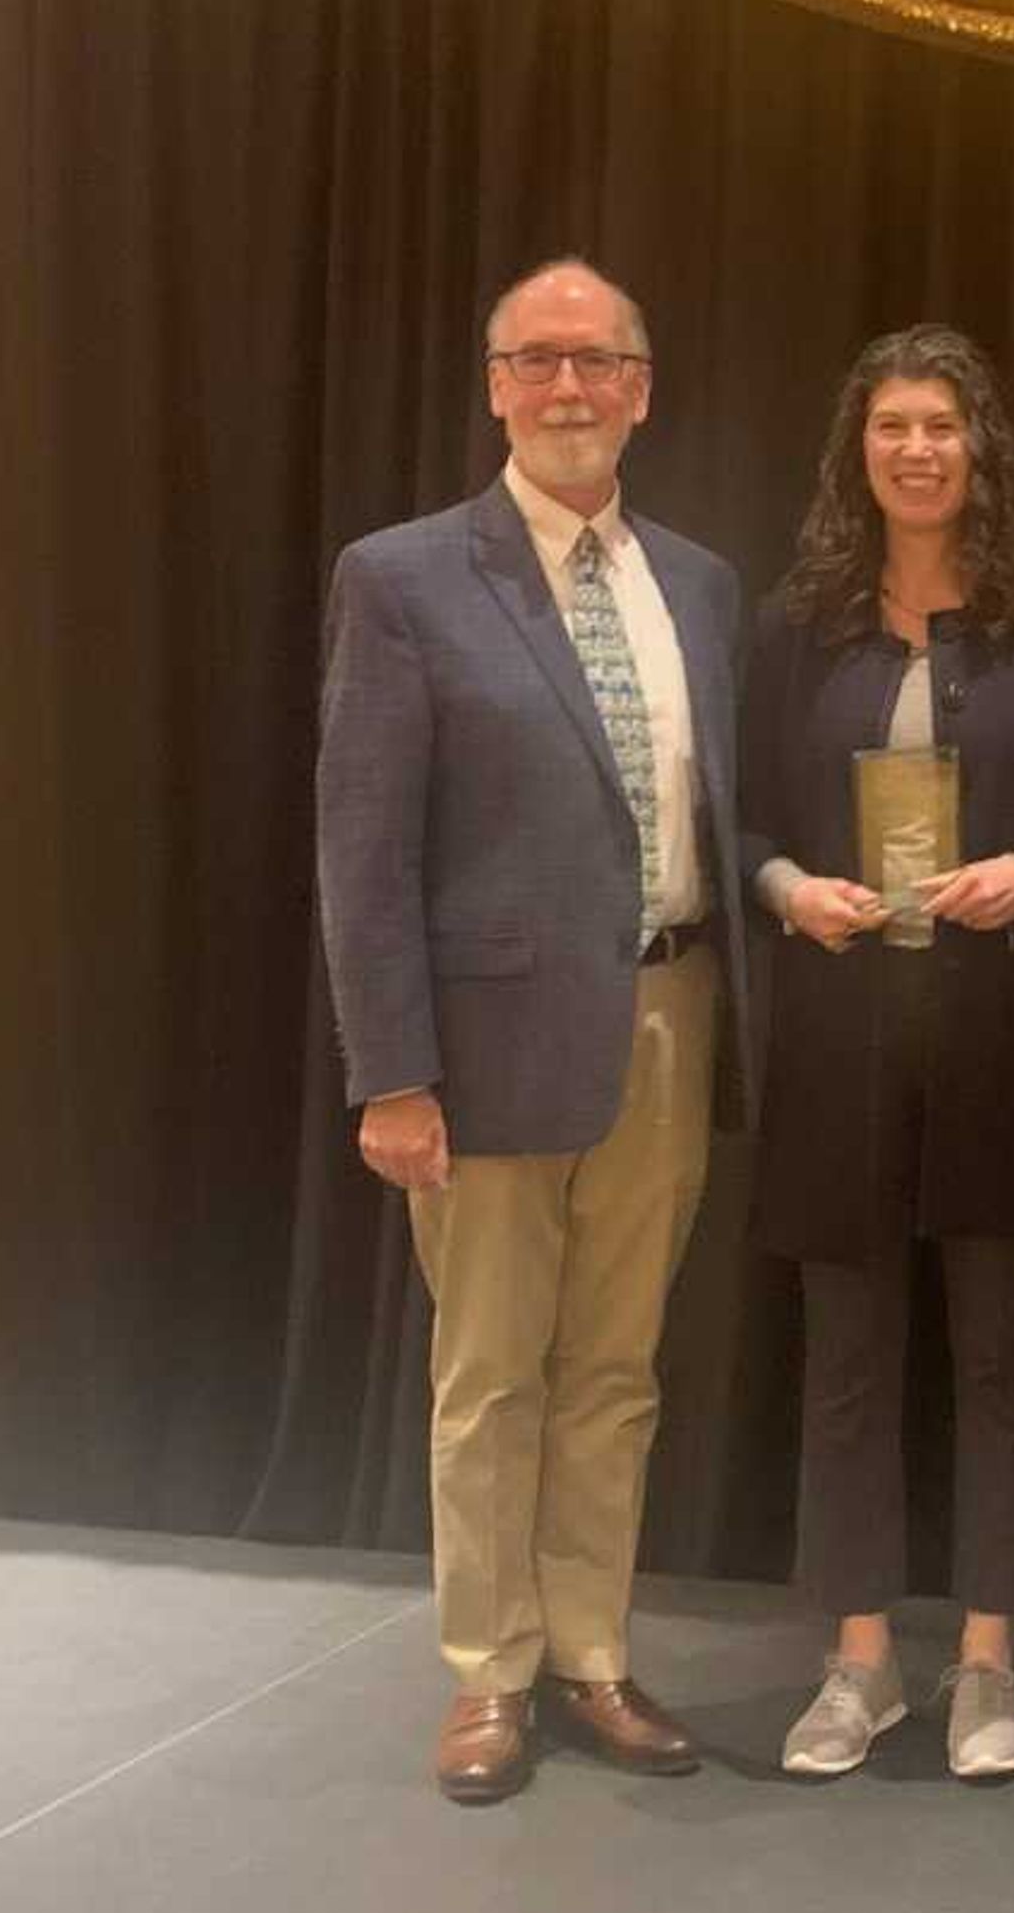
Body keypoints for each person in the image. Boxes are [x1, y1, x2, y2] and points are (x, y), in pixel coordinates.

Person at [315, 259, 754, 1804]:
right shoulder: (407, 576)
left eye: (600, 362)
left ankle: (592, 1652)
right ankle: (489, 1673)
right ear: (495, 386)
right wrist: (392, 1075)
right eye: (537, 361)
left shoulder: (698, 584)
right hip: (484, 1051)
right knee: (491, 1373)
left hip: (671, 1015)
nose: (570, 388)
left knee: (615, 1368)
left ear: (644, 386)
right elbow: (362, 848)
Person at [742, 326, 1014, 1781]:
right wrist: (786, 893)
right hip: (841, 1039)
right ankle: (861, 1665)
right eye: (890, 425)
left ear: (981, 450)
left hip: (1001, 1043)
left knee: (1004, 1359)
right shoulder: (795, 624)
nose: (915, 450)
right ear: (858, 450)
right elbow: (750, 826)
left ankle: (987, 1665)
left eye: (941, 426)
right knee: (847, 1361)